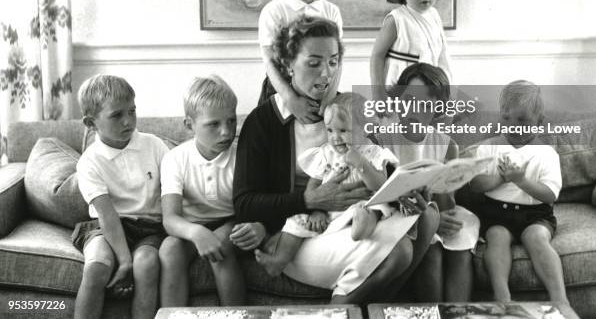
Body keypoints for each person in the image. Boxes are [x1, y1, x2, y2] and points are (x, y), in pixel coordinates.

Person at [234, 16, 437, 303]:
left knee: (428, 213)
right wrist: (311, 201)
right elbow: (244, 204)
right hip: (299, 232)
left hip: (353, 220)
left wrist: (406, 189)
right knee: (400, 252)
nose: (326, 73)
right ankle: (341, 307)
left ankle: (357, 304)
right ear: (289, 64)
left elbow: (377, 165)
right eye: (314, 63)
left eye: (333, 62)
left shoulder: (350, 111)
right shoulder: (263, 121)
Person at [254, 92, 399, 277]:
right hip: (330, 210)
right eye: (330, 130)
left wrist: (361, 163)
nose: (335, 137)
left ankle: (362, 229)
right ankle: (279, 260)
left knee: (371, 208)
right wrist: (318, 210)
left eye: (343, 131)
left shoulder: (374, 153)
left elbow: (380, 185)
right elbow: (313, 187)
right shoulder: (326, 154)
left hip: (361, 205)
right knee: (295, 221)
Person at [374, 63, 477, 302]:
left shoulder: (447, 144)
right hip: (396, 218)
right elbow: (380, 197)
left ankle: (456, 315)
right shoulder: (381, 140)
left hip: (436, 212)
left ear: (436, 110)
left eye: (425, 104)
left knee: (460, 247)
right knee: (432, 250)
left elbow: (447, 205)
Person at [159, 75, 265, 306]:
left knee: (220, 245)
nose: (226, 132)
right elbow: (170, 219)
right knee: (169, 249)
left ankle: (235, 314)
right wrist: (197, 233)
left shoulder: (243, 156)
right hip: (191, 226)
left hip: (231, 221)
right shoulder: (175, 159)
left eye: (231, 121)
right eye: (214, 124)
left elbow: (256, 206)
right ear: (190, 125)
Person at [72, 75, 169, 319]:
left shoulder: (154, 145)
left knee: (146, 264)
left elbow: (173, 192)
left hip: (149, 227)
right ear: (91, 122)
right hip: (106, 227)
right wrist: (123, 261)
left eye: (132, 111)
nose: (128, 121)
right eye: (116, 115)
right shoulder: (90, 162)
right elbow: (107, 216)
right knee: (96, 268)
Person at [470, 81, 569, 306]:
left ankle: (560, 300)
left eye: (522, 120)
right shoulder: (487, 148)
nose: (513, 126)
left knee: (537, 238)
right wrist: (499, 178)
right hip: (497, 214)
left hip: (535, 215)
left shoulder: (546, 153)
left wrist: (522, 181)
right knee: (496, 237)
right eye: (506, 119)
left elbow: (550, 195)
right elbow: (474, 184)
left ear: (539, 122)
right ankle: (503, 297)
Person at [257, 0, 342, 122]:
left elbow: (338, 61)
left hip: (323, 88)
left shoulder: (332, 12)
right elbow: (270, 61)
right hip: (282, 92)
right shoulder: (274, 11)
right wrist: (291, 100)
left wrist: (329, 97)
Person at [370, 0, 452, 94]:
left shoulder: (434, 16)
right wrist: (378, 93)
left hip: (429, 93)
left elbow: (442, 57)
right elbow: (377, 56)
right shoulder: (396, 20)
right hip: (399, 92)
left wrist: (447, 90)